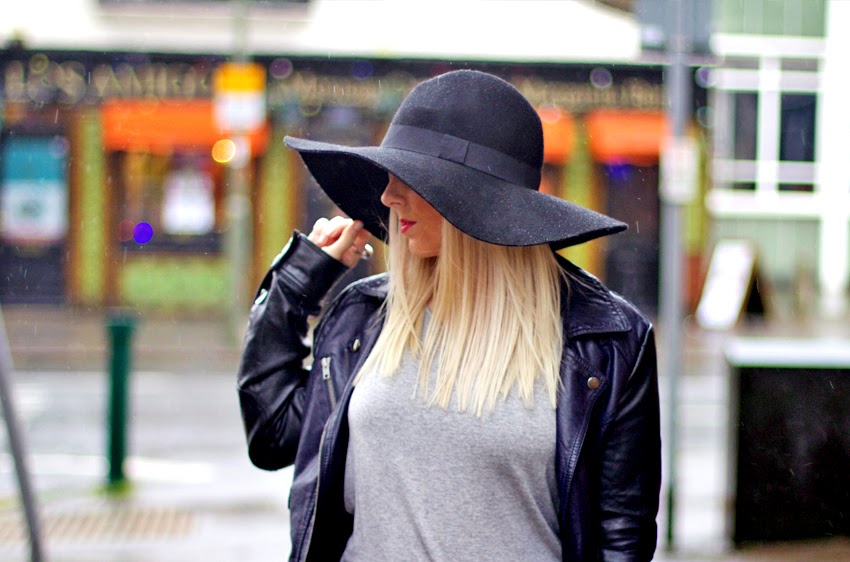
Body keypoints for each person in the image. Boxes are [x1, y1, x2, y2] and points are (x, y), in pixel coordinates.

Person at [237, 70, 661, 562]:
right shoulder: (366, 317)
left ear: (473, 200)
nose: (387, 198)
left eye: (408, 179)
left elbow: (621, 537)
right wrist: (297, 282)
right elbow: (271, 435)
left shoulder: (606, 342)